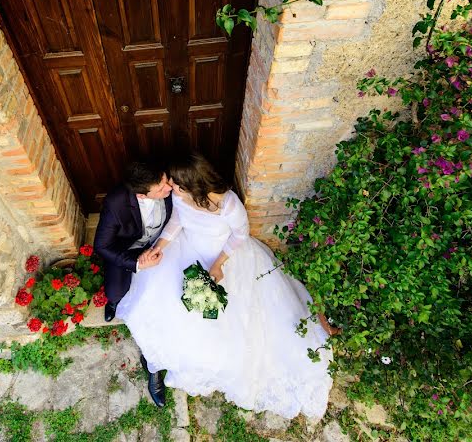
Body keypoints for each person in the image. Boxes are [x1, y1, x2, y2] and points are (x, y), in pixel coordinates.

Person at [116, 153, 334, 420]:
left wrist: (218, 265)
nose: (170, 188)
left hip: (225, 259)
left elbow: (240, 235)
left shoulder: (229, 204)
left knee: (226, 322)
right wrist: (160, 246)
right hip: (188, 250)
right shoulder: (180, 195)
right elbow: (177, 222)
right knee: (162, 302)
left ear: (192, 185)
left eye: (175, 184)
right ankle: (156, 359)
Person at [92, 161, 173, 406]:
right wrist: (137, 262)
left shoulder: (170, 184)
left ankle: (154, 364)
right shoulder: (116, 203)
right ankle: (114, 302)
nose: (169, 188)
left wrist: (159, 248)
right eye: (160, 189)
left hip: (165, 245)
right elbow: (102, 246)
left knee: (165, 305)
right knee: (116, 291)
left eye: (165, 180)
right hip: (131, 250)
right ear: (141, 194)